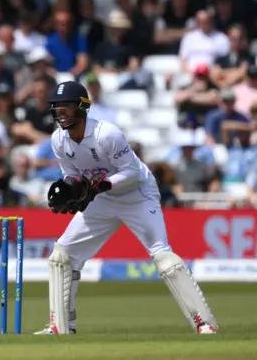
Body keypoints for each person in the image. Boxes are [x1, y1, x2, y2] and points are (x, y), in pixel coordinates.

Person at [37, 81, 217, 336]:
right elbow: (72, 175)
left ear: (81, 108)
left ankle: (204, 322)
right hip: (103, 198)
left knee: (163, 257)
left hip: (137, 195)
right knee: (62, 256)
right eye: (57, 109)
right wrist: (70, 192)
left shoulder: (106, 134)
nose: (60, 115)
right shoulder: (58, 140)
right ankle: (60, 326)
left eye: (65, 109)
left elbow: (132, 173)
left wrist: (98, 187)